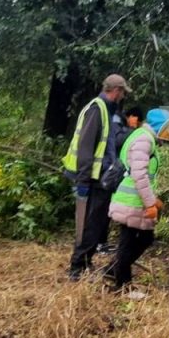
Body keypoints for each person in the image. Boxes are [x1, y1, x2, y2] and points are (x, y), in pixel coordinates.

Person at [105, 108, 169, 290]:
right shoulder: (144, 139)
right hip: (131, 201)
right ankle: (122, 285)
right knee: (129, 243)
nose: (168, 137)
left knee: (143, 239)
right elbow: (139, 175)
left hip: (135, 200)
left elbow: (143, 175)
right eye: (167, 131)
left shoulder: (145, 138)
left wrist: (152, 200)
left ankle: (113, 270)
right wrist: (151, 203)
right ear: (159, 127)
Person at [63, 74, 131, 279]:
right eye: (122, 92)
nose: (122, 97)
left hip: (99, 178)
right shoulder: (97, 109)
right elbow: (86, 146)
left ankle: (84, 263)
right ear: (116, 90)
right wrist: (83, 180)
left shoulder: (107, 111)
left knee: (97, 224)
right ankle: (77, 268)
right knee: (89, 225)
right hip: (91, 179)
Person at [96, 106, 145, 255]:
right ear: (133, 117)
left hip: (113, 172)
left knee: (105, 209)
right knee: (103, 209)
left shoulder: (119, 122)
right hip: (109, 172)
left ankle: (101, 242)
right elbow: (116, 142)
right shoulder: (117, 123)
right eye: (138, 120)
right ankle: (100, 243)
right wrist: (131, 130)